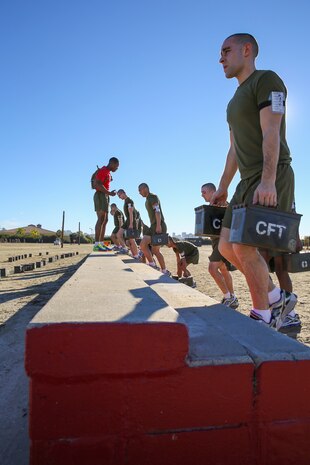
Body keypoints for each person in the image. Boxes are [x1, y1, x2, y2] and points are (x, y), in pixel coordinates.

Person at [212, 33, 297, 329]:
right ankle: (276, 296)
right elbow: (234, 148)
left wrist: (269, 180)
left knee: (245, 246)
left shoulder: (267, 80)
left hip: (270, 175)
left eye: (226, 51)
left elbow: (272, 130)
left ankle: (263, 315)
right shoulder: (233, 102)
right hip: (245, 181)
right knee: (225, 247)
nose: (220, 58)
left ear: (246, 50)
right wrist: (223, 186)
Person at [201, 183, 239, 309]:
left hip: (223, 241)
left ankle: (229, 297)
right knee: (223, 269)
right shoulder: (211, 206)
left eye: (204, 192)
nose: (202, 195)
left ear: (213, 192)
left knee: (212, 268)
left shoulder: (223, 203)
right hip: (215, 242)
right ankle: (232, 297)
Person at [138, 183, 170, 274]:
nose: (139, 193)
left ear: (145, 188)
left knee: (143, 244)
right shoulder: (148, 199)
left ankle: (153, 265)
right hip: (154, 225)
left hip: (157, 225)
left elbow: (157, 210)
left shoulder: (152, 197)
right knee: (155, 250)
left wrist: (159, 225)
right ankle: (163, 270)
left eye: (140, 191)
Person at [93, 157, 119, 252]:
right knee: (100, 219)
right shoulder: (104, 170)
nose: (117, 169)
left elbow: (102, 182)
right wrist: (109, 193)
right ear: (112, 163)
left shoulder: (107, 172)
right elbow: (97, 184)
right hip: (100, 195)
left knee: (105, 220)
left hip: (104, 195)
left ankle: (101, 244)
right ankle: (97, 245)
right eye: (116, 166)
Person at [117, 189, 140, 258]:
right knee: (119, 234)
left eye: (120, 195)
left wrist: (131, 223)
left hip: (130, 221)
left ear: (124, 193)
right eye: (118, 196)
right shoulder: (125, 201)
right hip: (127, 221)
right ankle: (125, 249)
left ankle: (136, 255)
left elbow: (131, 213)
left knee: (131, 239)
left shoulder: (129, 201)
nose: (119, 197)